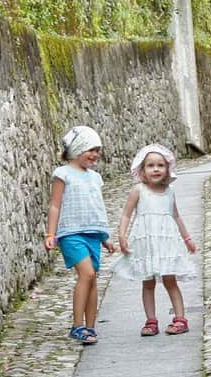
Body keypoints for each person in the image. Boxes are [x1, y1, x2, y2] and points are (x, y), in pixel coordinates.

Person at [112, 143, 196, 336]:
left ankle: (180, 318)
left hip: (166, 243)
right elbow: (126, 214)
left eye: (160, 165)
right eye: (150, 165)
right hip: (146, 243)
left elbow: (176, 216)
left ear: (167, 169)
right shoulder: (138, 191)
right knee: (147, 282)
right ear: (142, 170)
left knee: (170, 280)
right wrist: (122, 235)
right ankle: (151, 321)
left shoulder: (169, 192)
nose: (156, 169)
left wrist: (187, 238)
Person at [45, 125, 115, 344]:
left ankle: (90, 328)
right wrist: (51, 233)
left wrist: (105, 237)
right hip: (71, 234)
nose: (94, 155)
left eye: (97, 150)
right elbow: (55, 205)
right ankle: (77, 325)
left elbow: (97, 208)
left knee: (93, 280)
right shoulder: (62, 174)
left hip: (93, 234)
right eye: (90, 149)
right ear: (77, 149)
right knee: (87, 275)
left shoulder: (95, 178)